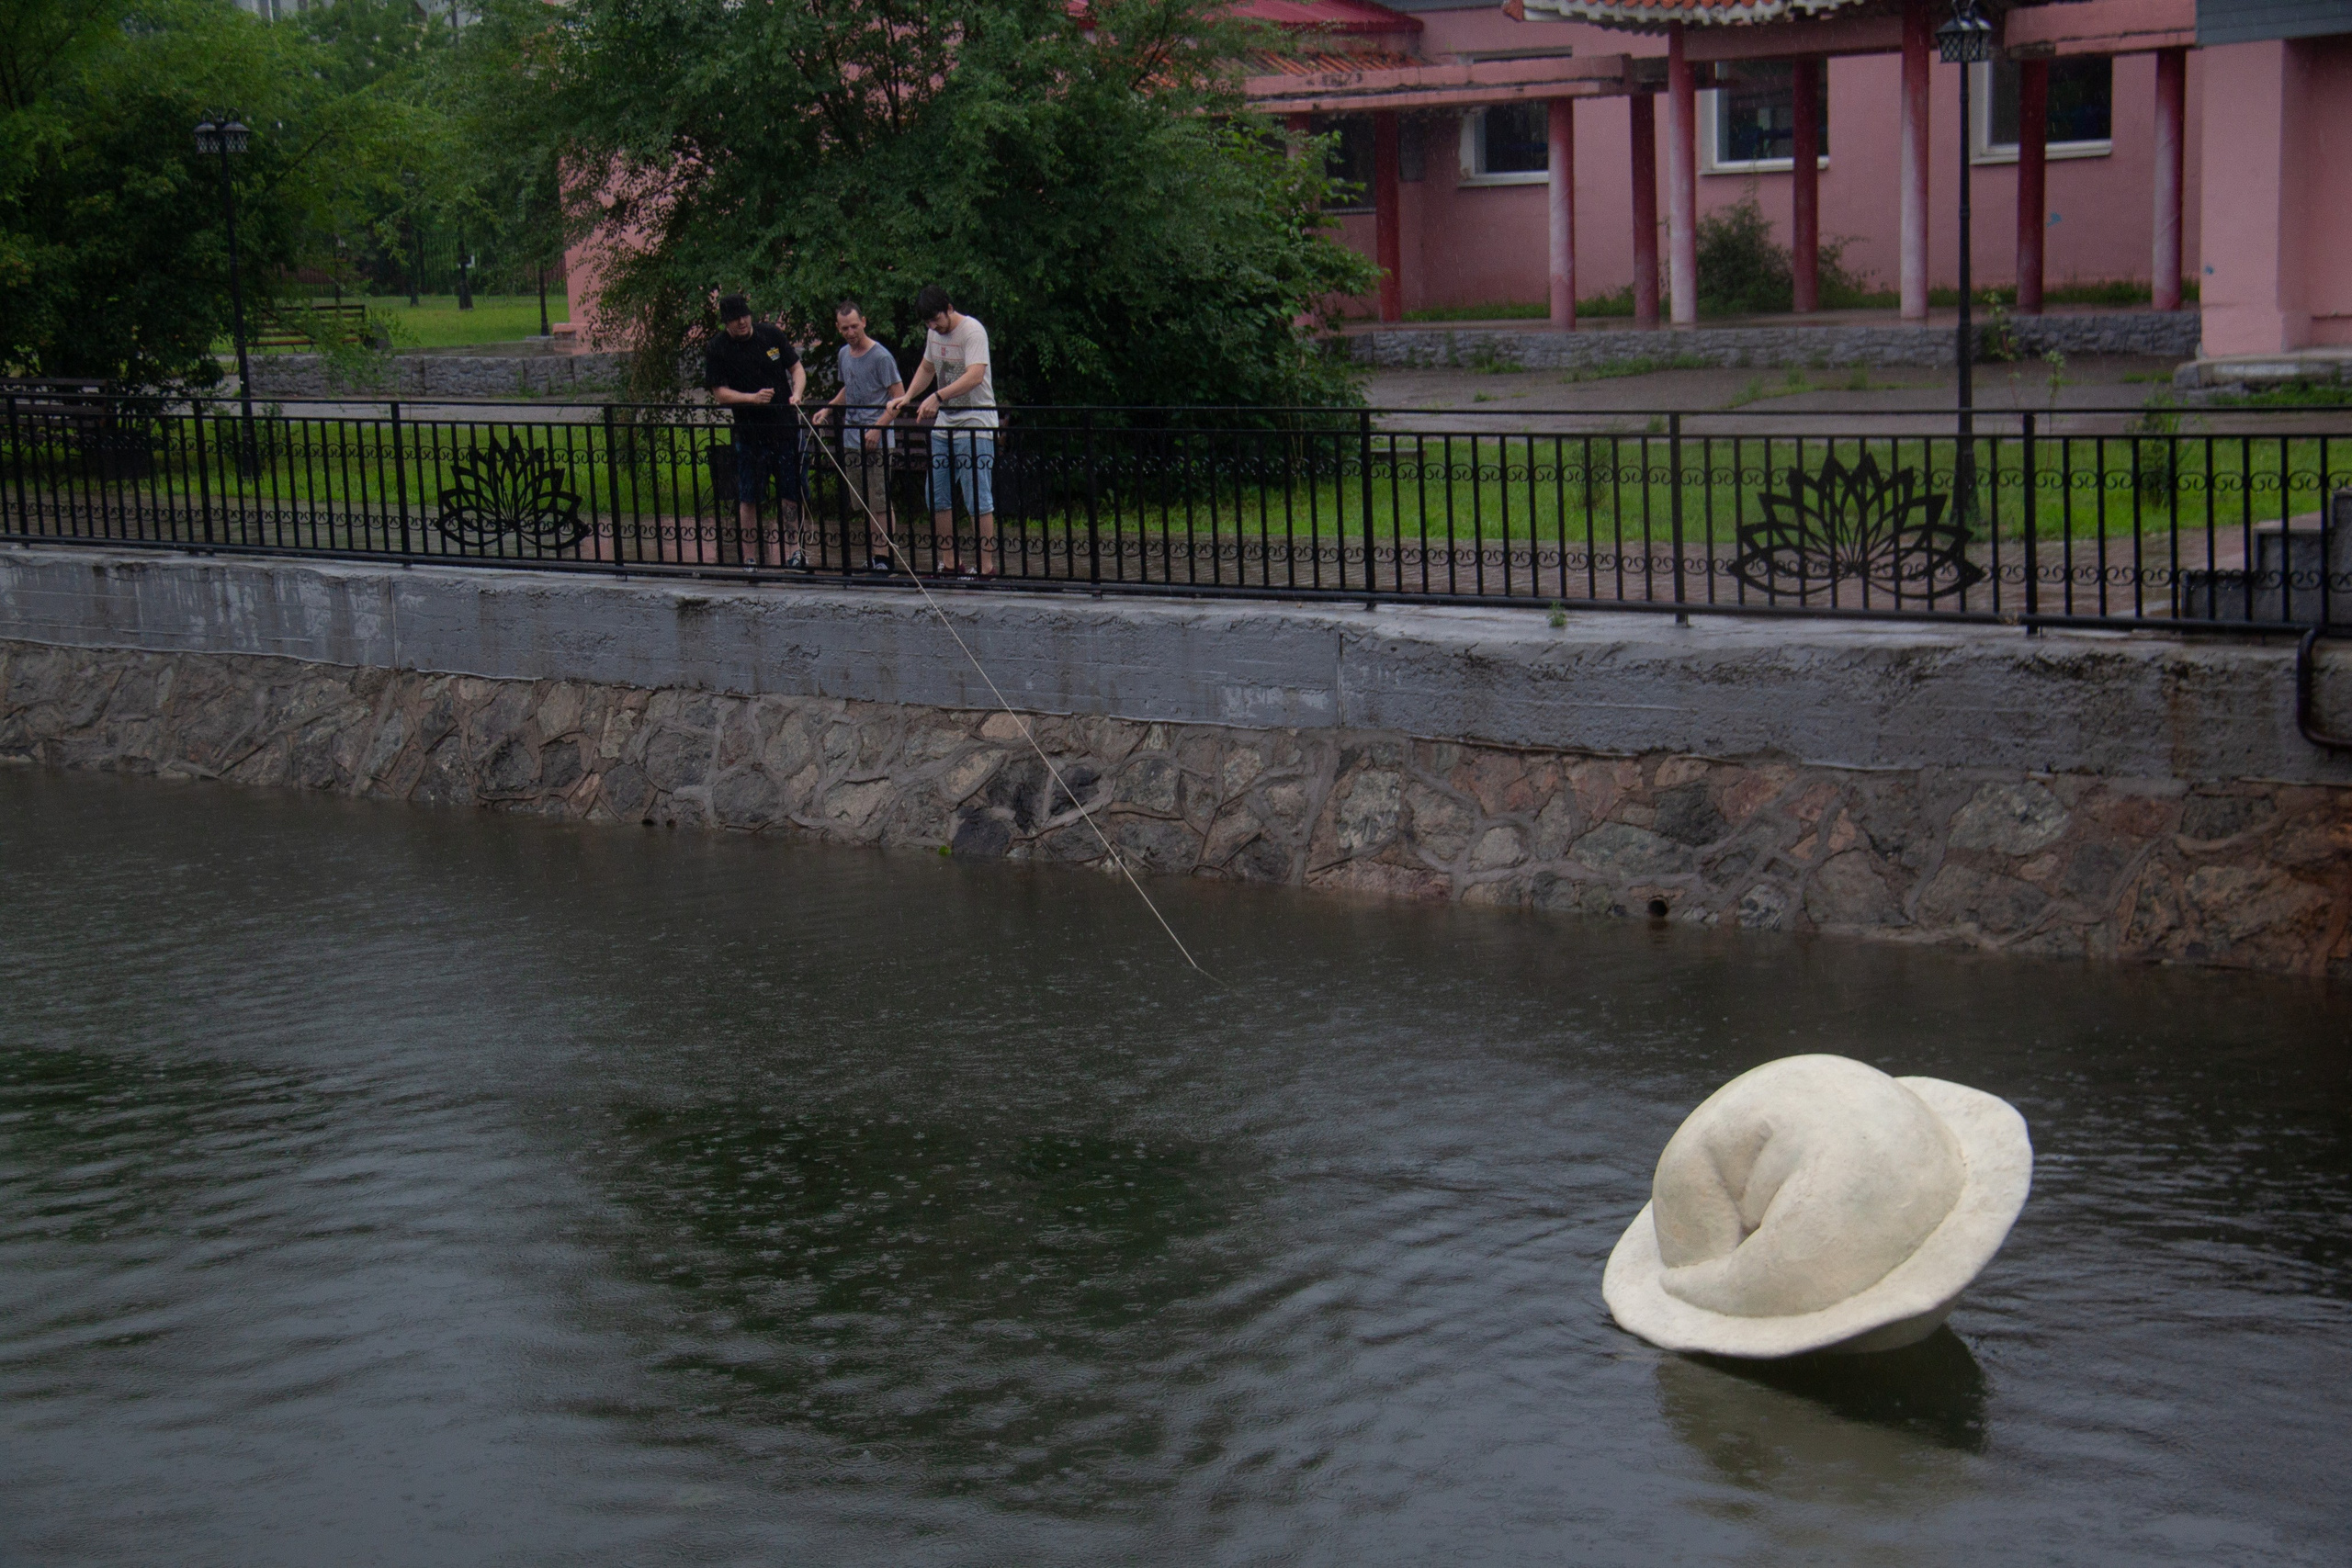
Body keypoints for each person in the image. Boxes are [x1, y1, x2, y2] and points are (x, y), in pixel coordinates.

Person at [887, 284, 997, 577]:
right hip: (945, 424)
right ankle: (950, 563)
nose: (934, 327)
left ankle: (986, 568)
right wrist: (909, 396)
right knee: (937, 495)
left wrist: (937, 397)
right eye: (928, 323)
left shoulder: (972, 331)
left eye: (936, 319)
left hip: (975, 422)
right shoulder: (934, 333)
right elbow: (927, 368)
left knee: (977, 496)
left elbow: (975, 375)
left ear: (949, 308)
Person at [703, 293, 807, 570]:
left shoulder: (770, 335)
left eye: (745, 316)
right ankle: (749, 557)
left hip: (783, 428)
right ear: (726, 322)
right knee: (749, 495)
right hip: (750, 433)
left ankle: (794, 551)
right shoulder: (718, 348)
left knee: (789, 491)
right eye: (736, 319)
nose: (742, 322)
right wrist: (751, 398)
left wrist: (796, 393)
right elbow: (720, 393)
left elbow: (796, 368)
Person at [812, 299, 904, 575]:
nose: (851, 332)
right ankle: (876, 554)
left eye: (854, 326)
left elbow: (899, 398)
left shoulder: (881, 357)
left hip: (875, 438)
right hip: (852, 437)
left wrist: (879, 427)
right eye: (844, 329)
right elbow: (848, 390)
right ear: (838, 329)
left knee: (879, 499)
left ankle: (884, 557)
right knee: (863, 501)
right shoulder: (843, 354)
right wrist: (828, 409)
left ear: (863, 321)